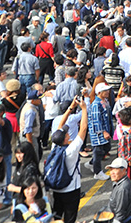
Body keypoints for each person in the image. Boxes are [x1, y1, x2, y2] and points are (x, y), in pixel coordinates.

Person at [49, 95, 88, 223]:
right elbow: (83, 128)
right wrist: (83, 109)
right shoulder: (71, 150)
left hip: (57, 187)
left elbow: (60, 125)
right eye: (66, 133)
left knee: (57, 215)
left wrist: (71, 107)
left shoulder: (55, 146)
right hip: (71, 189)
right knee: (70, 218)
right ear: (65, 138)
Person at [88, 82, 114, 181]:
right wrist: (103, 132)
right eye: (105, 90)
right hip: (98, 134)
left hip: (106, 131)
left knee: (106, 148)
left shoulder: (105, 101)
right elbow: (96, 120)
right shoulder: (96, 104)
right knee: (98, 151)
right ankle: (97, 172)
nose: (107, 92)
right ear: (99, 92)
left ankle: (92, 163)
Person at [106, 158, 131, 223]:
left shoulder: (123, 188)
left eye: (116, 169)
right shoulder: (118, 183)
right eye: (111, 169)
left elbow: (120, 212)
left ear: (124, 170)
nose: (112, 172)